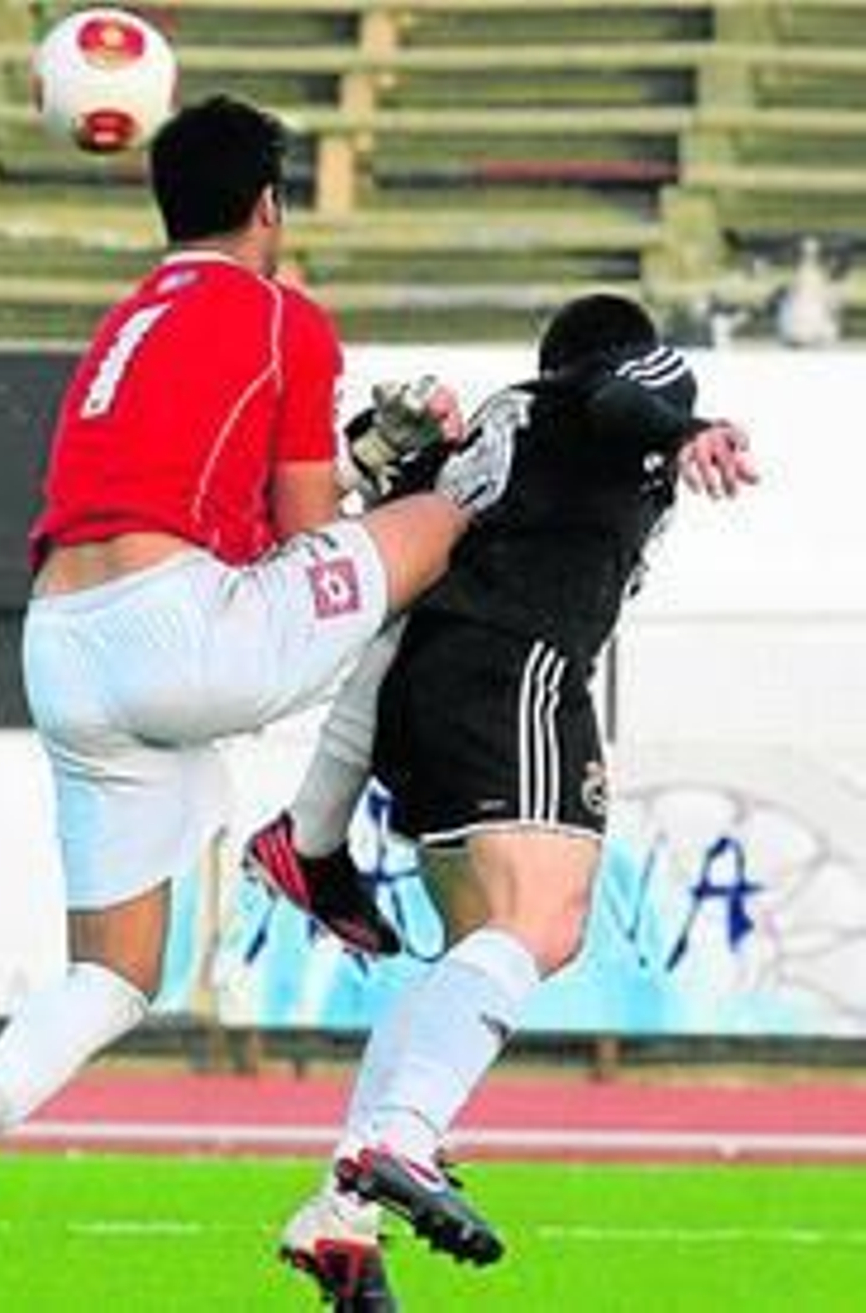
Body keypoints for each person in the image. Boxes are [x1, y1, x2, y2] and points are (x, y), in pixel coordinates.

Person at [0, 94, 517, 1312]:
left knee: (114, 974)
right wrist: (402, 474)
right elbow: (311, 535)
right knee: (455, 513)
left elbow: (250, 518)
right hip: (180, 628)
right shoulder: (279, 311)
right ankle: (315, 835)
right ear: (269, 204)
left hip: (63, 644)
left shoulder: (126, 318)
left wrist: (352, 483)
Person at [244, 294, 758, 1291]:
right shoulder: (597, 393)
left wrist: (322, 810)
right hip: (514, 670)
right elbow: (620, 394)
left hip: (431, 698)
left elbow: (386, 568)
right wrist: (688, 423)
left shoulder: (497, 426)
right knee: (540, 920)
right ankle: (395, 1135)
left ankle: (341, 1209)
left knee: (487, 947)